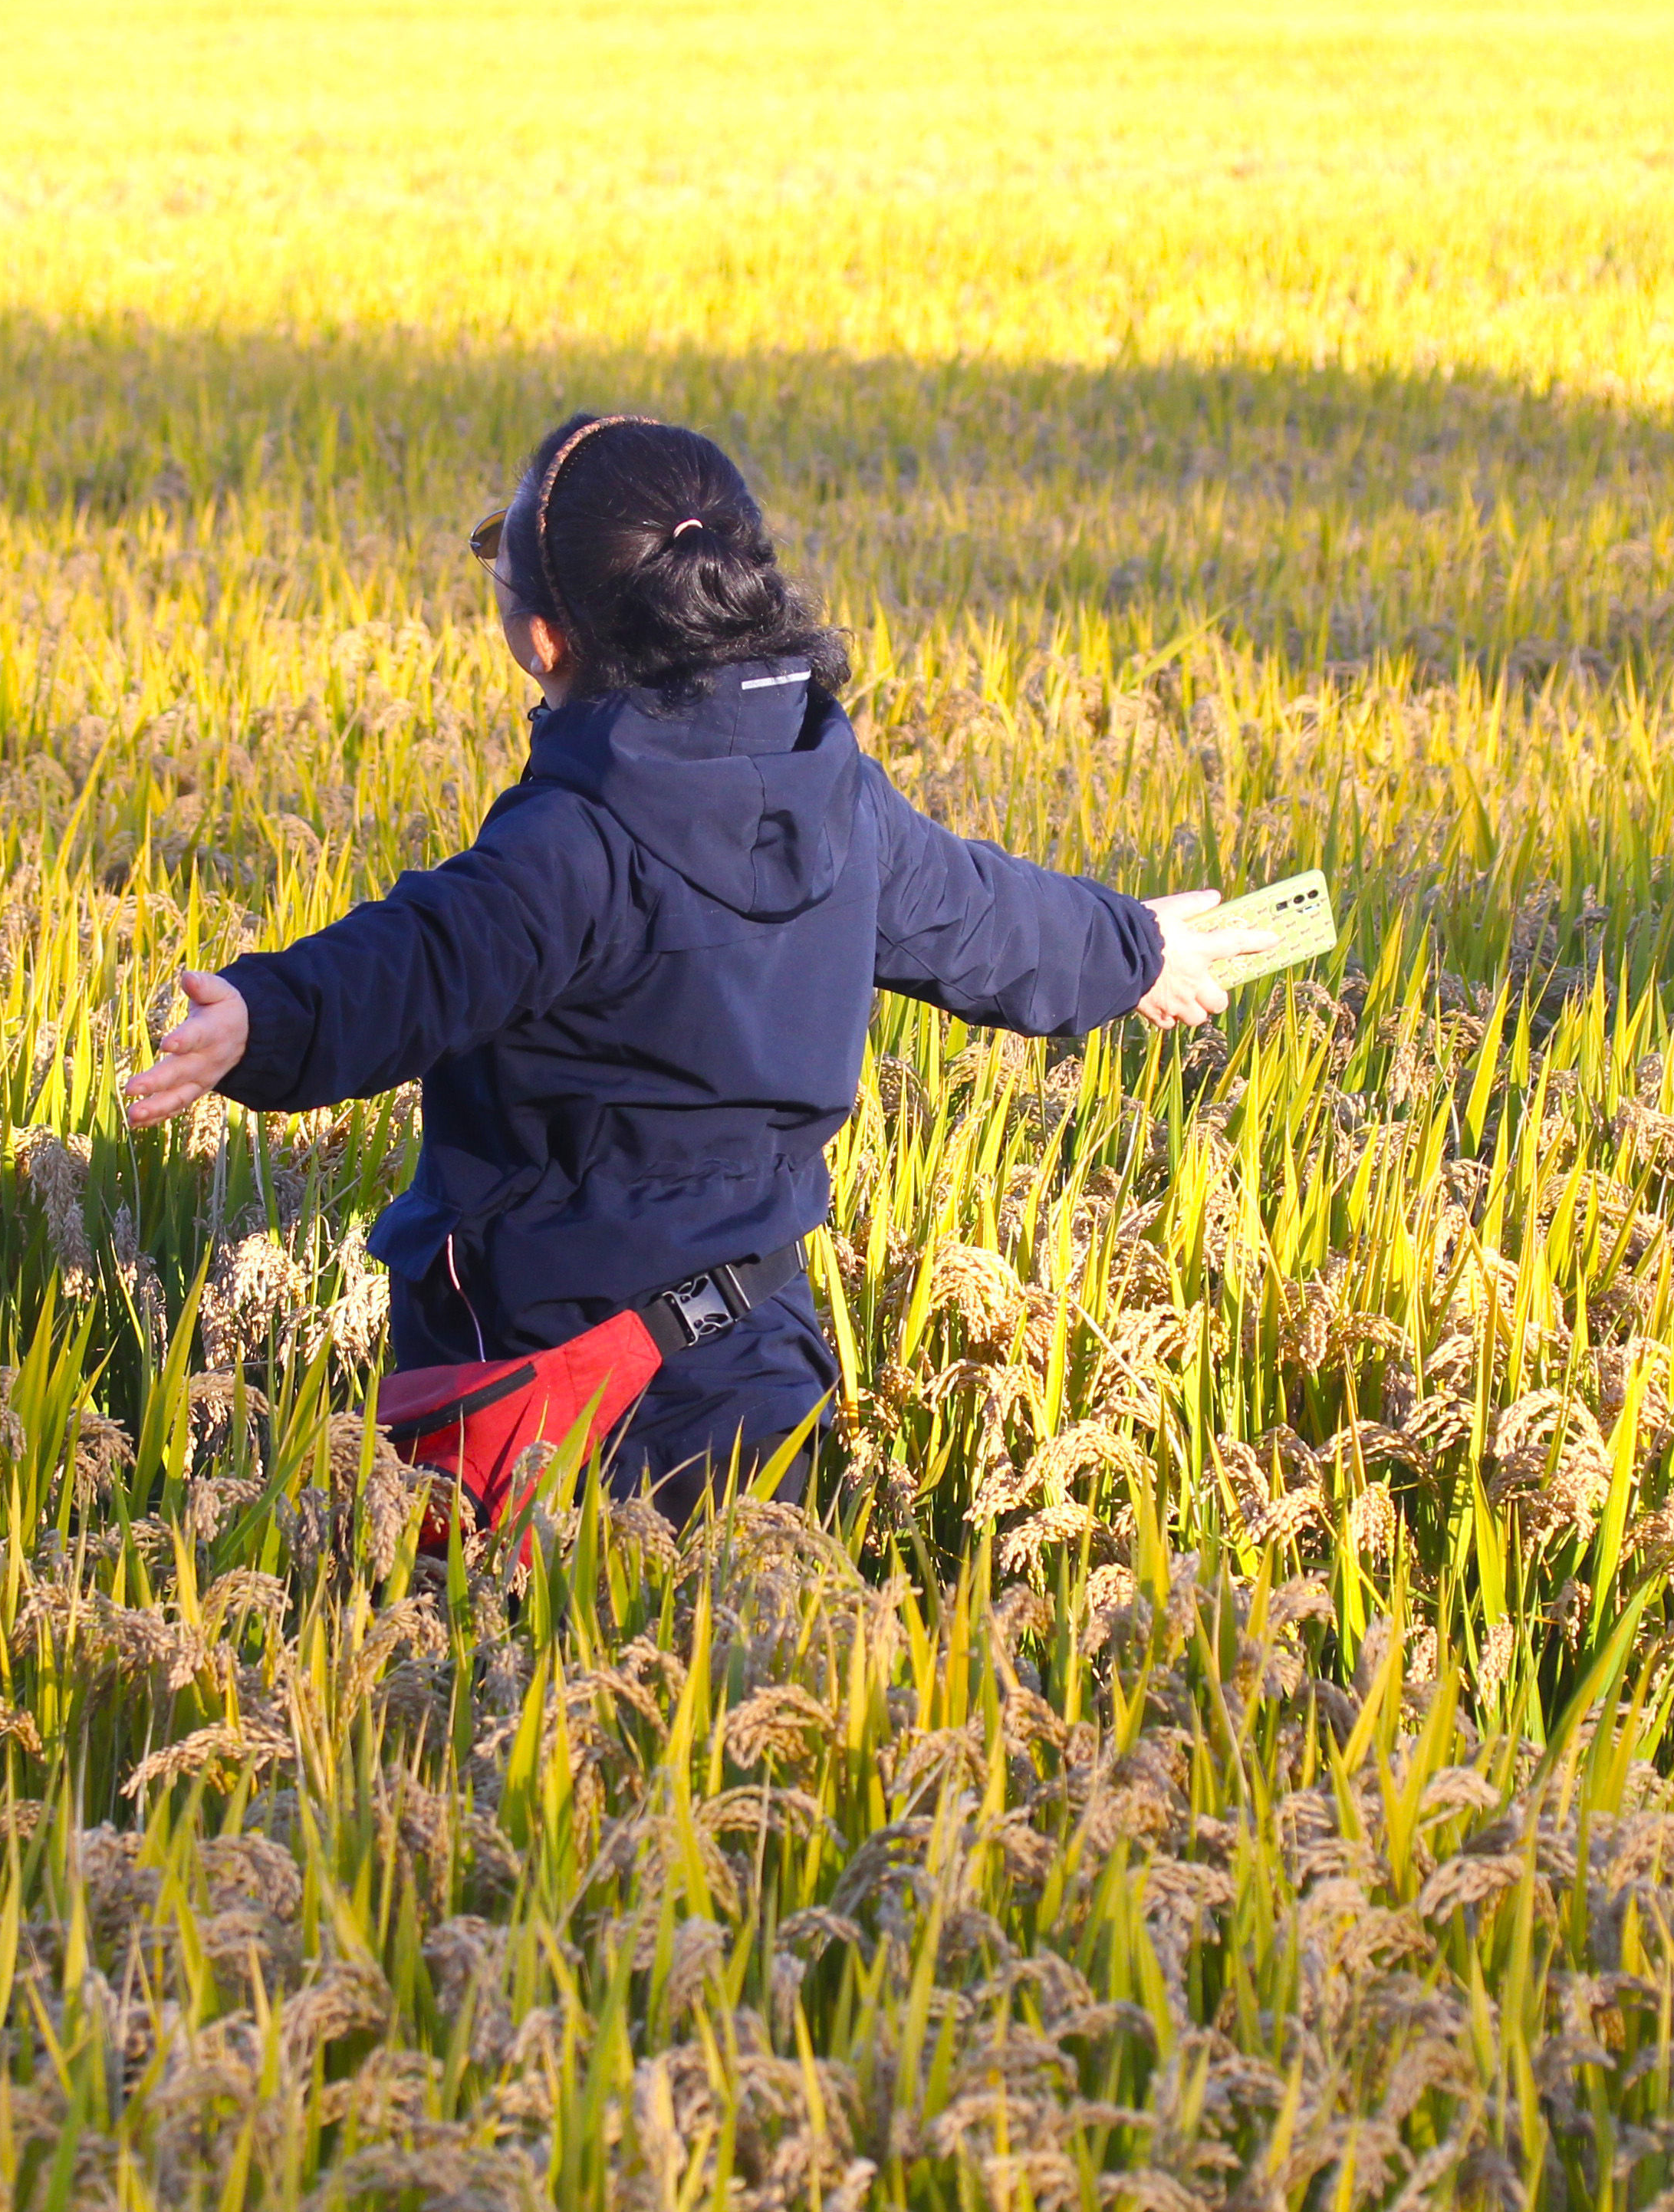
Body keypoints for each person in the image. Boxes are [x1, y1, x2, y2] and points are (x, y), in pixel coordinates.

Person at [122, 413, 1238, 1517]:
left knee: (509, 1678)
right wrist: (1135, 948)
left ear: (545, 639)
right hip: (752, 1363)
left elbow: (424, 958)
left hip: (543, 1383)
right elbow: (984, 916)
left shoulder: (579, 838)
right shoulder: (831, 788)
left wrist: (260, 1021)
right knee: (743, 1669)